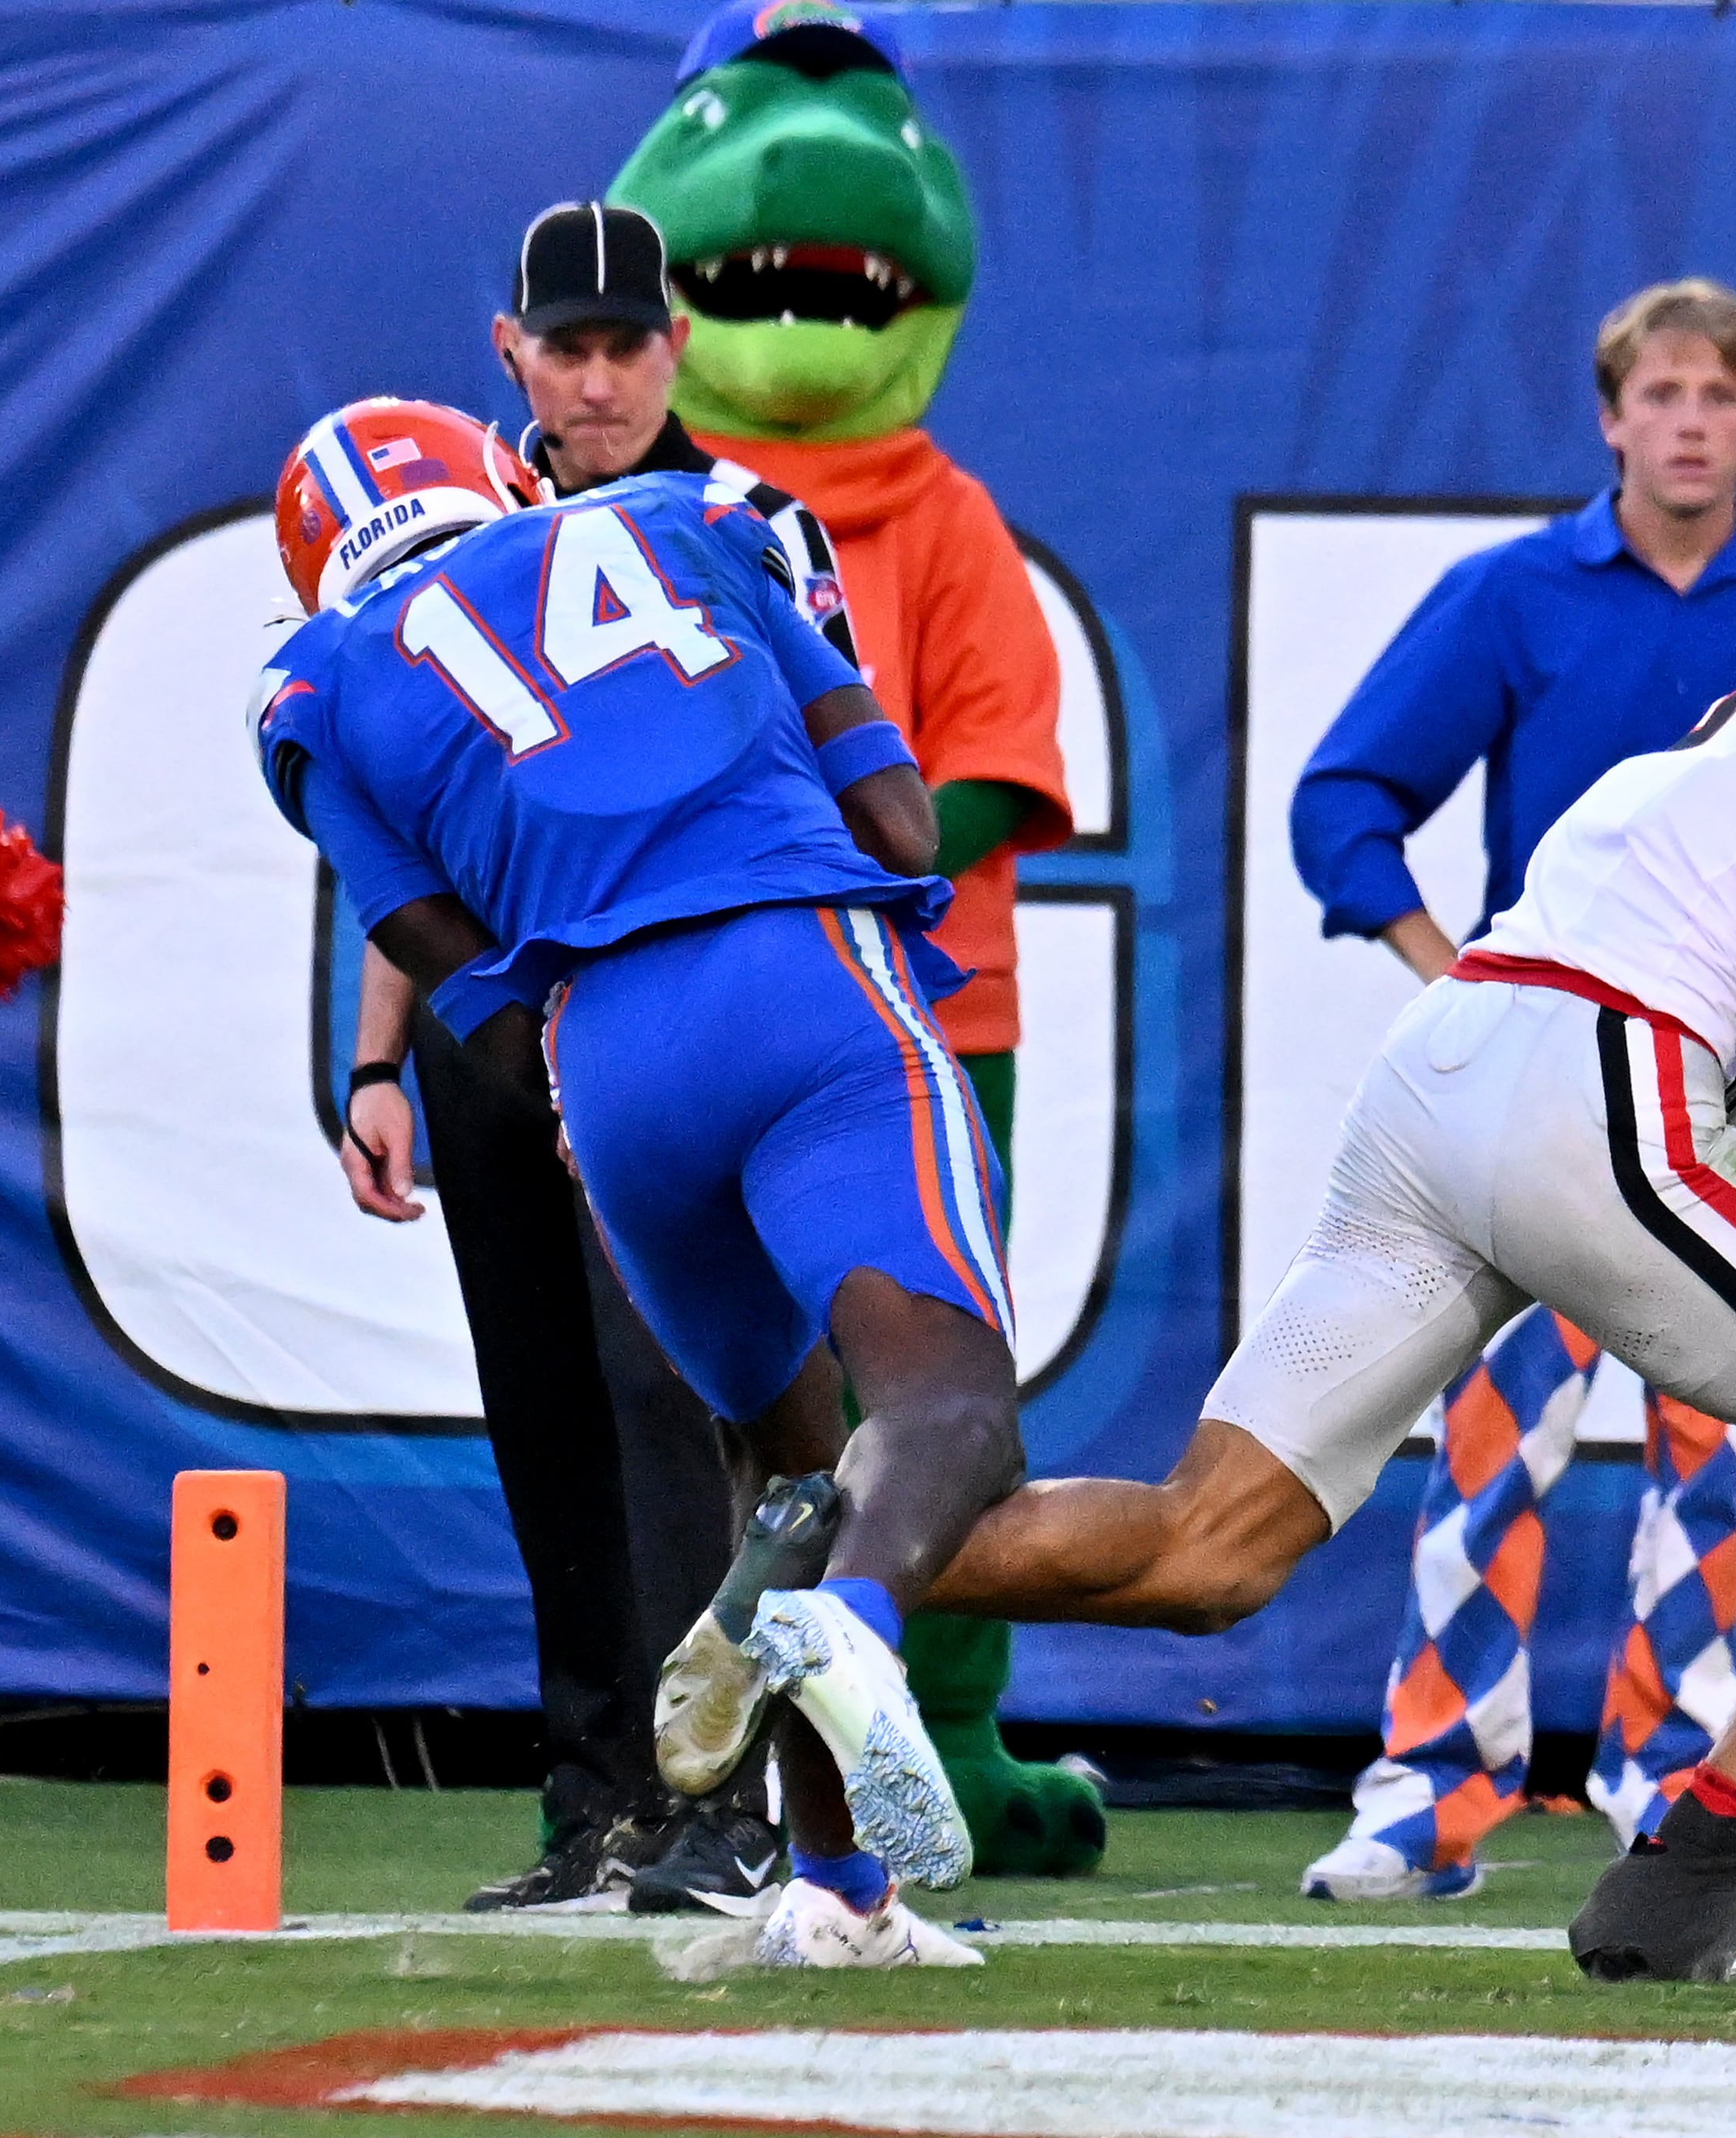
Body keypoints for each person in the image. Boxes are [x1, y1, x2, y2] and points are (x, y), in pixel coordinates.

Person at [683, 454, 1736, 1983]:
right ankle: (1684, 1889)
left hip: (1465, 1060)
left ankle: (838, 1566)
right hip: (1599, 1081)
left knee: (1214, 1547)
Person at [261, 395, 1011, 1968]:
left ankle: (834, 1888)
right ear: (503, 471)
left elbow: (424, 937)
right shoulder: (691, 520)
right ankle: (847, 1636)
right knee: (943, 1409)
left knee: (786, 1463)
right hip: (800, 972)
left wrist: (540, 1049)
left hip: (607, 1061)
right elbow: (891, 808)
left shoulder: (317, 688)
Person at [1288, 279, 1736, 1901]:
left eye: (1721, 397)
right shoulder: (1516, 596)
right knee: (1490, 1446)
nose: (1691, 421)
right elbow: (1345, 799)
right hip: (1548, 1093)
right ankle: (1432, 1790)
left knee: (1719, 1454)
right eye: (1663, 394)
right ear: (1612, 416)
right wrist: (1460, 976)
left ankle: (1672, 1777)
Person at [333, 200, 864, 1913]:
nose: (598, 374)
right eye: (565, 344)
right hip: (495, 1021)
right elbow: (400, 825)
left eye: (626, 342)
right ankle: (598, 1804)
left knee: (678, 1399)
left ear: (676, 347)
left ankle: (733, 1807)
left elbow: (821, 756)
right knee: (545, 1406)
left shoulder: (744, 516)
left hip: (671, 1007)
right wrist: (374, 1066)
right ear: (512, 353)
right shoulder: (454, 513)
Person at [616, 0, 1095, 1877]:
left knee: (938, 1379)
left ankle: (943, 1736)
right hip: (747, 996)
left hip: (921, 996)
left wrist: (786, 861)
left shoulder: (943, 519)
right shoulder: (626, 524)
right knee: (781, 1394)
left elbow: (989, 776)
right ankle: (730, 1781)